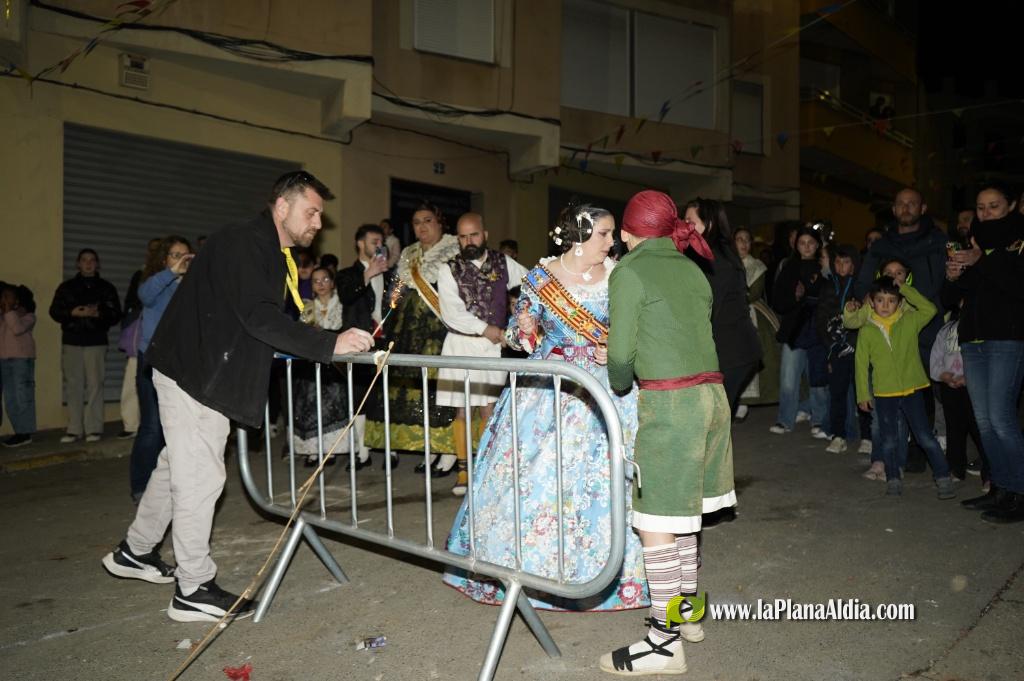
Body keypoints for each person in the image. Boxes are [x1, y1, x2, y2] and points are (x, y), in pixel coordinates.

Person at [100, 171, 373, 622]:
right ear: (282, 207)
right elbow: (257, 315)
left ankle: (136, 550)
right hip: (197, 373)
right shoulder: (246, 242)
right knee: (200, 476)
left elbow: (256, 317)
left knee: (176, 466)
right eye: (311, 212)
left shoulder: (263, 247)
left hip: (198, 370)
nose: (317, 223)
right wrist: (329, 344)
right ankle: (193, 588)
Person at [443, 202, 648, 612]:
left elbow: (634, 328)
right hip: (548, 388)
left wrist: (617, 346)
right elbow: (520, 337)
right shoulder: (541, 277)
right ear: (579, 234)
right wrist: (523, 329)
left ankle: (620, 576)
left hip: (608, 388)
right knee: (533, 476)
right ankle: (526, 570)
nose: (612, 241)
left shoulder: (620, 274)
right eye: (604, 233)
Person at [602, 190, 736, 676]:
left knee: (655, 521)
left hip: (672, 403)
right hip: (712, 399)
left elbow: (621, 356)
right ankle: (688, 617)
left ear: (626, 233)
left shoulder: (629, 271)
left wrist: (619, 380)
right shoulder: (692, 269)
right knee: (685, 516)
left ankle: (663, 643)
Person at [945, 183, 1024, 523]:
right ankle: (1001, 488)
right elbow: (958, 296)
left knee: (1002, 418)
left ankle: (1020, 492)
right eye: (980, 207)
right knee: (984, 421)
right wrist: (954, 277)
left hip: (1007, 337)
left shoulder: (1019, 238)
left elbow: (1017, 286)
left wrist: (982, 261)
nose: (986, 213)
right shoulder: (974, 239)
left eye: (994, 205)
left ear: (1012, 205)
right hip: (972, 338)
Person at [435, 213, 528, 495]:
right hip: (459, 345)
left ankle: (487, 470)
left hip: (491, 348)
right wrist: (486, 329)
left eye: (474, 235)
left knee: (489, 408)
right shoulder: (448, 269)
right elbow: (452, 313)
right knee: (462, 409)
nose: (469, 241)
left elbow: (533, 282)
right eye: (463, 237)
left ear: (485, 234)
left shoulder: (503, 262)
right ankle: (463, 472)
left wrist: (521, 316)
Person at [364, 202, 461, 458]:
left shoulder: (455, 249)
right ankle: (421, 446)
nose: (422, 227)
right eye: (417, 222)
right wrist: (388, 313)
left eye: (428, 220)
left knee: (439, 389)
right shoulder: (409, 253)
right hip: (407, 330)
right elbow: (396, 290)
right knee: (410, 390)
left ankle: (446, 452)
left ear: (440, 223)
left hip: (440, 331)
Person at [855, 276, 955, 499]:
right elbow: (860, 365)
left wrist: (905, 289)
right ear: (871, 302)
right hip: (884, 394)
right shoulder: (867, 330)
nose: (885, 305)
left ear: (900, 302)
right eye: (880, 300)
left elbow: (930, 309)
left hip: (912, 390)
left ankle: (943, 477)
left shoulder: (910, 321)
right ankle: (893, 479)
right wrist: (862, 394)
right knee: (889, 440)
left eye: (891, 300)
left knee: (924, 436)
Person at [128, 236, 193, 503]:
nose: (182, 259)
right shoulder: (156, 283)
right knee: (153, 427)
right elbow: (144, 295)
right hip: (153, 361)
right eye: (175, 254)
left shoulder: (193, 285)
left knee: (179, 428)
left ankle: (173, 487)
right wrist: (170, 273)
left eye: (186, 255)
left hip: (182, 363)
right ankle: (141, 486)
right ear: (165, 259)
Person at [683, 199, 761, 417]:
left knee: (713, 419)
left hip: (732, 352)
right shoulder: (710, 253)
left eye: (690, 221)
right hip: (729, 350)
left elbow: (706, 308)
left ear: (708, 224)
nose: (684, 226)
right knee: (714, 419)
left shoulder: (716, 257)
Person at [49, 248, 122, 443]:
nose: (88, 263)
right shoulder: (66, 287)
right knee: (73, 385)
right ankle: (74, 429)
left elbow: (116, 314)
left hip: (96, 341)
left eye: (92, 260)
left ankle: (94, 428)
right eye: (84, 260)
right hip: (72, 340)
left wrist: (99, 313)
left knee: (95, 385)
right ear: (78, 264)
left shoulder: (106, 288)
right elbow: (54, 311)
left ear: (97, 264)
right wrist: (72, 312)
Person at [335, 224, 390, 470]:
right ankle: (361, 452)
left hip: (385, 341)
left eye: (381, 241)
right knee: (358, 397)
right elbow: (347, 295)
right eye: (373, 241)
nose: (379, 245)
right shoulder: (347, 274)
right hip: (359, 342)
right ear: (360, 243)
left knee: (384, 396)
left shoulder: (390, 273)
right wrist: (368, 274)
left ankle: (389, 449)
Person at [770, 227, 829, 437]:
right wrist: (795, 297)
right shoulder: (789, 266)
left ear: (817, 244)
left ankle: (820, 420)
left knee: (818, 379)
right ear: (796, 245)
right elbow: (778, 300)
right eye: (802, 243)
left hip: (818, 329)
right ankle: (785, 420)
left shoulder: (824, 266)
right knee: (788, 378)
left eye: (810, 242)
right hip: (795, 329)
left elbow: (831, 293)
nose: (806, 247)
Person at [292, 266, 348, 466]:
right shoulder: (307, 307)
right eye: (316, 281)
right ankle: (313, 450)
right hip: (312, 363)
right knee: (310, 408)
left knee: (332, 408)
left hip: (334, 364)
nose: (321, 284)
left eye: (325, 279)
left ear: (332, 283)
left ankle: (331, 450)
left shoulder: (341, 305)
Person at [816, 244, 867, 453]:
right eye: (837, 261)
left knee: (862, 392)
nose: (841, 266)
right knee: (837, 393)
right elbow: (820, 319)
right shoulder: (828, 286)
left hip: (858, 348)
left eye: (846, 262)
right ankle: (838, 435)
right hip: (836, 349)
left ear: (854, 264)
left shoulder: (861, 286)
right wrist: (830, 346)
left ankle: (867, 437)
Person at [930, 303, 988, 486]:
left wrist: (968, 377)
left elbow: (988, 359)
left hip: (974, 386)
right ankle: (955, 468)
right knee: (954, 428)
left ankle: (990, 474)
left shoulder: (983, 327)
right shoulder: (946, 329)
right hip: (950, 386)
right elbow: (936, 357)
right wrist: (942, 375)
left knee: (979, 429)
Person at [734, 226, 779, 415]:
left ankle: (745, 402)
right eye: (739, 239)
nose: (744, 243)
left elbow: (753, 293)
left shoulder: (757, 266)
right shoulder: (725, 264)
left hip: (752, 313)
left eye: (747, 240)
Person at [117, 239, 160, 440]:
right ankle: (131, 424)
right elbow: (131, 303)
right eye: (151, 250)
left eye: (158, 250)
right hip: (140, 337)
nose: (153, 253)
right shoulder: (141, 275)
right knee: (132, 380)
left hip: (162, 339)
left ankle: (158, 425)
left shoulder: (175, 276)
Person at [0, 284, 37, 447]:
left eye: (7, 297)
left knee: (22, 396)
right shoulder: (3, 316)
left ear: (17, 301)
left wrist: (9, 311)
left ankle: (25, 433)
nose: (4, 300)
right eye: (3, 297)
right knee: (11, 399)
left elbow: (17, 329)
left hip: (21, 360)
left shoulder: (28, 316)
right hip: (4, 360)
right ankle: (18, 431)